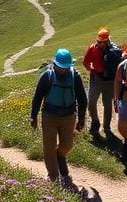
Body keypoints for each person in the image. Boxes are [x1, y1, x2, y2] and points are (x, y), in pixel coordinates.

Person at [30, 48, 87, 188]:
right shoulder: (47, 76)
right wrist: (33, 116)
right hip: (49, 116)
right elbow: (37, 98)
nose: (64, 70)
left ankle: (60, 156)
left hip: (69, 116)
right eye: (61, 67)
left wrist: (81, 118)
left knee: (67, 145)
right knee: (48, 147)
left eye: (67, 67)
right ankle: (53, 178)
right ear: (54, 64)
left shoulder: (75, 76)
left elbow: (82, 99)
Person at [82, 28, 118, 137]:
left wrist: (91, 68)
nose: (97, 43)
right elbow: (85, 62)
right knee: (92, 102)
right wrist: (91, 69)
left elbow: (86, 63)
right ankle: (96, 122)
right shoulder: (94, 48)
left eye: (100, 42)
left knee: (105, 104)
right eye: (97, 41)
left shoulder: (112, 51)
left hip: (105, 80)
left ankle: (105, 126)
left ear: (106, 41)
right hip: (99, 79)